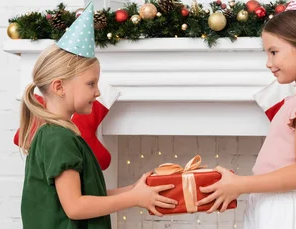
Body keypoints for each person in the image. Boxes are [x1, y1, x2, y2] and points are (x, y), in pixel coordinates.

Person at [17, 3, 177, 229]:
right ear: (59, 87)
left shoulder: (57, 134)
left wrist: (134, 190)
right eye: (91, 83)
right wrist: (134, 199)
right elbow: (76, 207)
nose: (98, 91)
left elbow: (87, 195)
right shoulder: (59, 139)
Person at [194, 0, 296, 228]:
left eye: (274, 52)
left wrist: (241, 185)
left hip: (285, 211)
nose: (269, 63)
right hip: (274, 206)